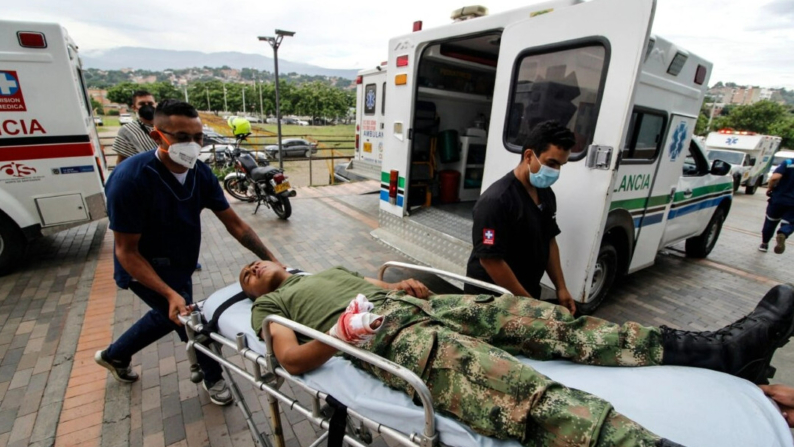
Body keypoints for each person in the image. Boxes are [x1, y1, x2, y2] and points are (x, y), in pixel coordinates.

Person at [243, 260, 794, 447]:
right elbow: (290, 360)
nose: (251, 271)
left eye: (254, 265)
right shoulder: (268, 310)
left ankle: (720, 352)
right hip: (378, 336)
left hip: (420, 308)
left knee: (545, 321)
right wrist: (341, 331)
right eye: (245, 275)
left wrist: (408, 287)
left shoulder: (322, 272)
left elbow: (378, 282)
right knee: (504, 385)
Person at [95, 100, 280, 406]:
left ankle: (114, 355)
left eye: (198, 137)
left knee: (169, 317)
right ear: (158, 136)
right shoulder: (130, 180)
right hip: (144, 269)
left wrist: (274, 262)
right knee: (193, 323)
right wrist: (169, 293)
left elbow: (236, 225)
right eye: (182, 137)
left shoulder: (200, 174)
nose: (193, 145)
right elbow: (126, 251)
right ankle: (214, 377)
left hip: (180, 264)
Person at [466, 121, 576, 313]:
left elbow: (549, 240)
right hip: (491, 302)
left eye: (560, 165)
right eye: (551, 163)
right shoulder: (496, 201)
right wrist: (528, 304)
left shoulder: (546, 195)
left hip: (526, 294)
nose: (556, 171)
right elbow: (490, 260)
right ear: (529, 156)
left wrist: (561, 288)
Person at [760, 158, 794, 254]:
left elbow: (775, 177)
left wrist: (770, 187)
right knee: (790, 222)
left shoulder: (788, 163)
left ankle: (764, 244)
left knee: (770, 222)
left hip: (778, 199)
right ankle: (783, 233)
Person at [114, 90, 158, 164]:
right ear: (134, 108)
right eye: (142, 104)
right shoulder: (127, 130)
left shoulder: (167, 125)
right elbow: (122, 160)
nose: (147, 106)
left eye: (150, 103)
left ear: (155, 105)